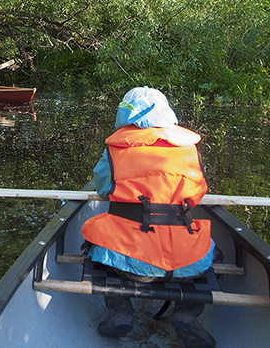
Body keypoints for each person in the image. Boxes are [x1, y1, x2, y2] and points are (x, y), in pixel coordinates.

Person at [81, 86, 217, 348]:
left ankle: (120, 310)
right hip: (185, 260)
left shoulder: (116, 148)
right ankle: (186, 313)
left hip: (130, 259)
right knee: (210, 254)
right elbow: (199, 192)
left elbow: (103, 189)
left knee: (93, 246)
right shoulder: (188, 147)